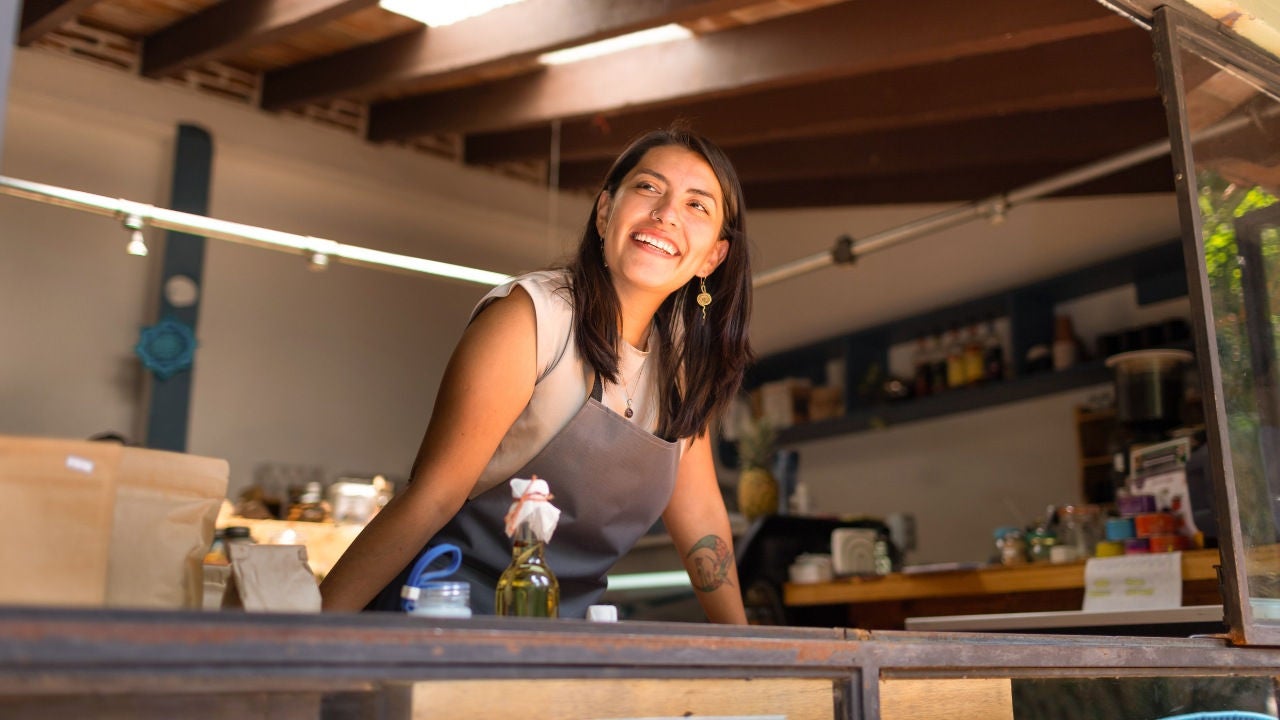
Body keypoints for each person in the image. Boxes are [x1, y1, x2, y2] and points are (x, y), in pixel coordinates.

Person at [319, 127, 753, 622]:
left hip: (561, 644)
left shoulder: (679, 367)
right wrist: (312, 635)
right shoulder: (530, 318)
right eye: (649, 187)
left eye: (697, 205)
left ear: (713, 257)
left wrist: (750, 653)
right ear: (606, 211)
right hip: (442, 622)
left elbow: (701, 522)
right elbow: (431, 499)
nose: (667, 213)